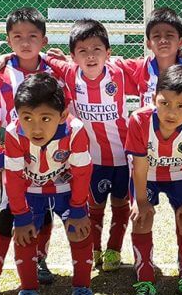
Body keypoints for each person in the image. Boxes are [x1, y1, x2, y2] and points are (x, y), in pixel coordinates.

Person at [0, 8, 59, 295]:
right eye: (18, 37)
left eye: (32, 36)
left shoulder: (55, 71)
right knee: (8, 213)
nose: (25, 42)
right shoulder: (0, 74)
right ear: (8, 40)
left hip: (47, 160)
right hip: (13, 160)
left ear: (43, 40)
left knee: (45, 211)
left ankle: (38, 259)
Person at [43, 21, 132, 272]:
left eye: (97, 49)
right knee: (94, 207)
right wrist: (5, 57)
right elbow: (35, 52)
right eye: (83, 51)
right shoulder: (69, 72)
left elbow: (156, 62)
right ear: (73, 56)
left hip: (123, 157)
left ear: (108, 53)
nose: (90, 56)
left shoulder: (121, 72)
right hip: (90, 159)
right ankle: (94, 249)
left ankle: (114, 249)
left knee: (120, 205)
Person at [4, 73, 94, 295]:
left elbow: (82, 172)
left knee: (79, 231)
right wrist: (21, 217)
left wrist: (78, 209)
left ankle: (82, 286)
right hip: (31, 189)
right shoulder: (13, 132)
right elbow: (12, 177)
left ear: (62, 115)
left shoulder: (75, 130)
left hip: (66, 188)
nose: (36, 127)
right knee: (23, 236)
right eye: (27, 118)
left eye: (46, 118)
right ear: (17, 115)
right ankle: (29, 289)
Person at [126, 65, 182, 295]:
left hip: (180, 175)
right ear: (154, 98)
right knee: (140, 218)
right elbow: (139, 167)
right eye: (165, 103)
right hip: (148, 175)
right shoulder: (139, 120)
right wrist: (141, 201)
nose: (171, 112)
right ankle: (145, 280)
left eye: (181, 106)